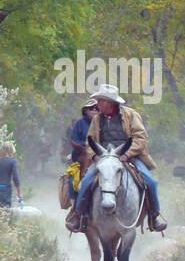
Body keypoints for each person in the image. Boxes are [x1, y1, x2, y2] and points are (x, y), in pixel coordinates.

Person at [65, 84, 167, 232]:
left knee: (150, 182)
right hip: (104, 158)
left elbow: (141, 138)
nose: (97, 104)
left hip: (129, 156)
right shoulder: (97, 119)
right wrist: (95, 157)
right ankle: (78, 216)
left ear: (109, 102)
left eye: (100, 100)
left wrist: (127, 154)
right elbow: (90, 141)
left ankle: (154, 217)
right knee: (85, 182)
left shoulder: (131, 115)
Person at [64, 97, 98, 207]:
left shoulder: (102, 123)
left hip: (100, 157)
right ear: (85, 110)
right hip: (82, 156)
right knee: (73, 181)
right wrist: (85, 150)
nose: (94, 110)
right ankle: (75, 208)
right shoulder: (79, 123)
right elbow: (74, 140)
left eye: (97, 108)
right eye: (91, 108)